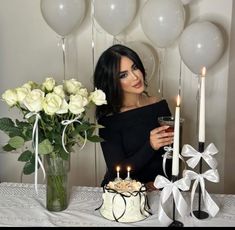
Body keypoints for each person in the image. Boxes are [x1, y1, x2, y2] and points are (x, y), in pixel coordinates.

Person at [93, 44, 174, 191]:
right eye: (123, 75)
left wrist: (161, 183)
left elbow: (171, 155)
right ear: (112, 82)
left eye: (135, 67)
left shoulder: (159, 105)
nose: (135, 77)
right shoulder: (109, 120)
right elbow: (117, 172)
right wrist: (150, 146)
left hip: (161, 189)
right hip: (124, 194)